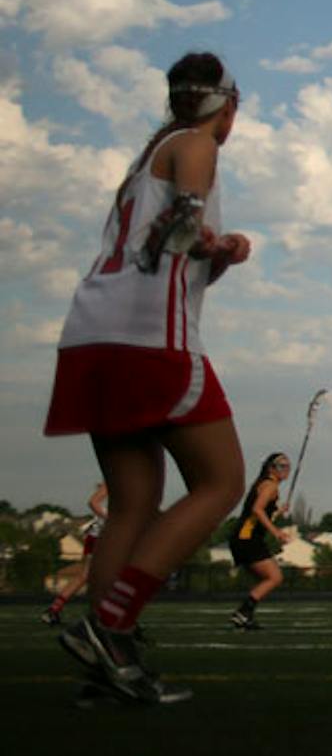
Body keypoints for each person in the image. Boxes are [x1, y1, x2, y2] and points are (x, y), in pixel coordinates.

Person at [44, 52, 253, 705]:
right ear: (228, 107)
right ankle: (112, 624)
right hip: (149, 339)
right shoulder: (195, 143)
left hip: (92, 333)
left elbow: (165, 252)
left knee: (133, 504)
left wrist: (213, 253)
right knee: (221, 481)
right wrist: (203, 233)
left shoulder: (145, 159)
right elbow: (183, 224)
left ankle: (106, 667)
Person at [227, 452, 290, 629]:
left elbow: (258, 514)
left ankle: (244, 614)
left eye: (287, 466)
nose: (286, 470)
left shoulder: (267, 485)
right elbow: (257, 510)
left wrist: (277, 512)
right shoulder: (270, 486)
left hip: (244, 538)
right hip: (247, 539)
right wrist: (276, 532)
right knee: (275, 577)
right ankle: (243, 613)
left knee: (268, 578)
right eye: (281, 466)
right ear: (271, 468)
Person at [41, 482, 109, 626]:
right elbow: (93, 502)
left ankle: (54, 609)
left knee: (86, 575)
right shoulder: (116, 482)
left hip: (102, 535)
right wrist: (110, 520)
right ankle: (106, 615)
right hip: (103, 535)